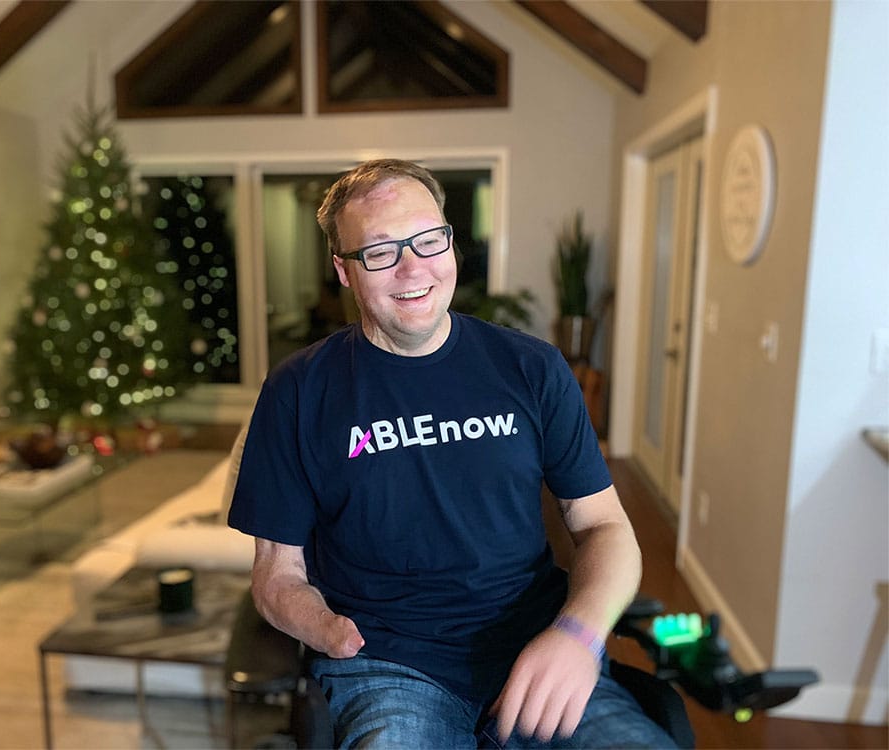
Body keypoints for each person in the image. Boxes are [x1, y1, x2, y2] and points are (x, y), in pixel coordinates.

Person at [228, 159, 677, 749]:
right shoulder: (298, 391)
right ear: (344, 270)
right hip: (386, 664)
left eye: (428, 238)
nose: (413, 267)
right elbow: (275, 574)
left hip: (536, 648)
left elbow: (603, 527)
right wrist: (328, 631)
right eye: (381, 251)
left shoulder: (531, 368)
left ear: (449, 239)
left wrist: (578, 634)